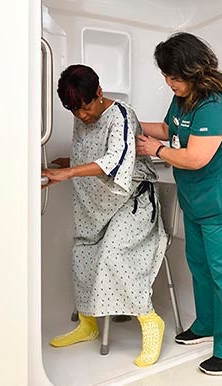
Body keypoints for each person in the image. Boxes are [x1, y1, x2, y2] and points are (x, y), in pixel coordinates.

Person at [136, 32, 222, 376]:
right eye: (166, 76)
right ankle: (207, 325)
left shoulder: (216, 105)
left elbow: (195, 157)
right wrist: (131, 121)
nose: (168, 82)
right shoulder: (183, 99)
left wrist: (153, 150)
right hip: (195, 202)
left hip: (220, 204)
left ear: (192, 70)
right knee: (201, 269)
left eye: (173, 76)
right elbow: (171, 129)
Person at [42, 64, 167, 368]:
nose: (82, 115)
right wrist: (63, 162)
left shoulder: (122, 115)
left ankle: (151, 323)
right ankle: (88, 325)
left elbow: (115, 159)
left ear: (99, 92)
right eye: (74, 111)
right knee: (82, 253)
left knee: (113, 255)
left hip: (133, 203)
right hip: (98, 204)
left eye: (85, 107)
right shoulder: (83, 118)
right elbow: (92, 154)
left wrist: (69, 172)